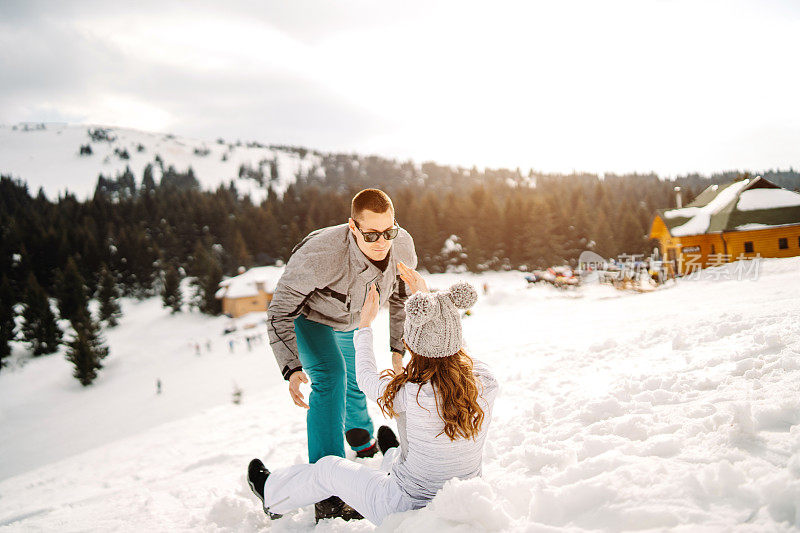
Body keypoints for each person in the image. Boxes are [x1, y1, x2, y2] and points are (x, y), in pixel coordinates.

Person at [248, 273, 498, 525]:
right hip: (462, 497)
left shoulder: (410, 393)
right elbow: (450, 344)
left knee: (328, 469)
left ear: (412, 344)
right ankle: (391, 454)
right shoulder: (487, 381)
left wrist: (365, 323)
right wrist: (433, 303)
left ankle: (271, 494)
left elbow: (365, 376)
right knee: (415, 447)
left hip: (402, 506)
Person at [265, 189, 417, 521]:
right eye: (371, 234)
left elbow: (402, 298)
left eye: (388, 231)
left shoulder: (402, 245)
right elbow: (279, 312)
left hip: (354, 320)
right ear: (352, 227)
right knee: (332, 377)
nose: (382, 241)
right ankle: (327, 489)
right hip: (313, 318)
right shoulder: (319, 256)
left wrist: (397, 350)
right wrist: (291, 367)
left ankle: (361, 437)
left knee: (358, 377)